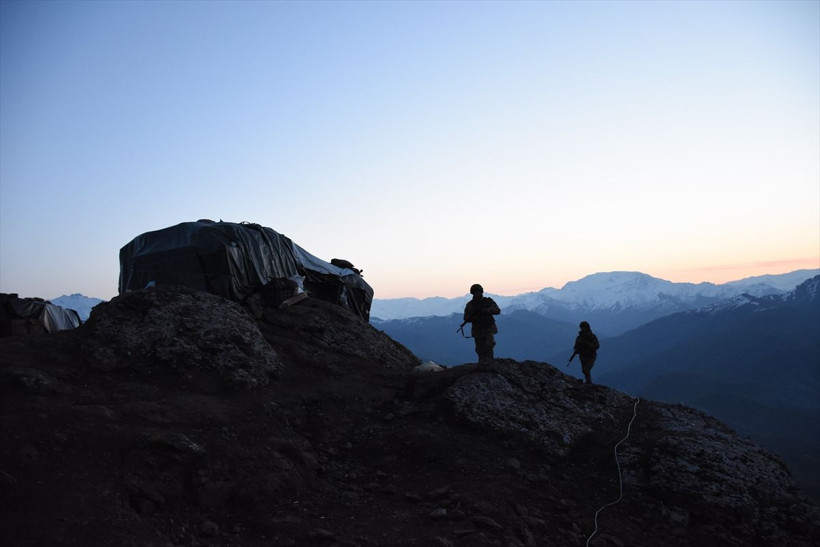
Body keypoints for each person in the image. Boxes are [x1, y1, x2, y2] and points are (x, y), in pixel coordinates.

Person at [463, 284, 501, 366]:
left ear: (481, 292)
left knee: (489, 344)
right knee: (480, 349)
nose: (477, 294)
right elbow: (465, 317)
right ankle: (483, 364)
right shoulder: (470, 305)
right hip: (477, 329)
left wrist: (486, 311)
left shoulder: (488, 301)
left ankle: (489, 362)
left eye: (478, 292)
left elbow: (497, 310)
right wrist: (473, 318)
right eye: (475, 292)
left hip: (488, 327)